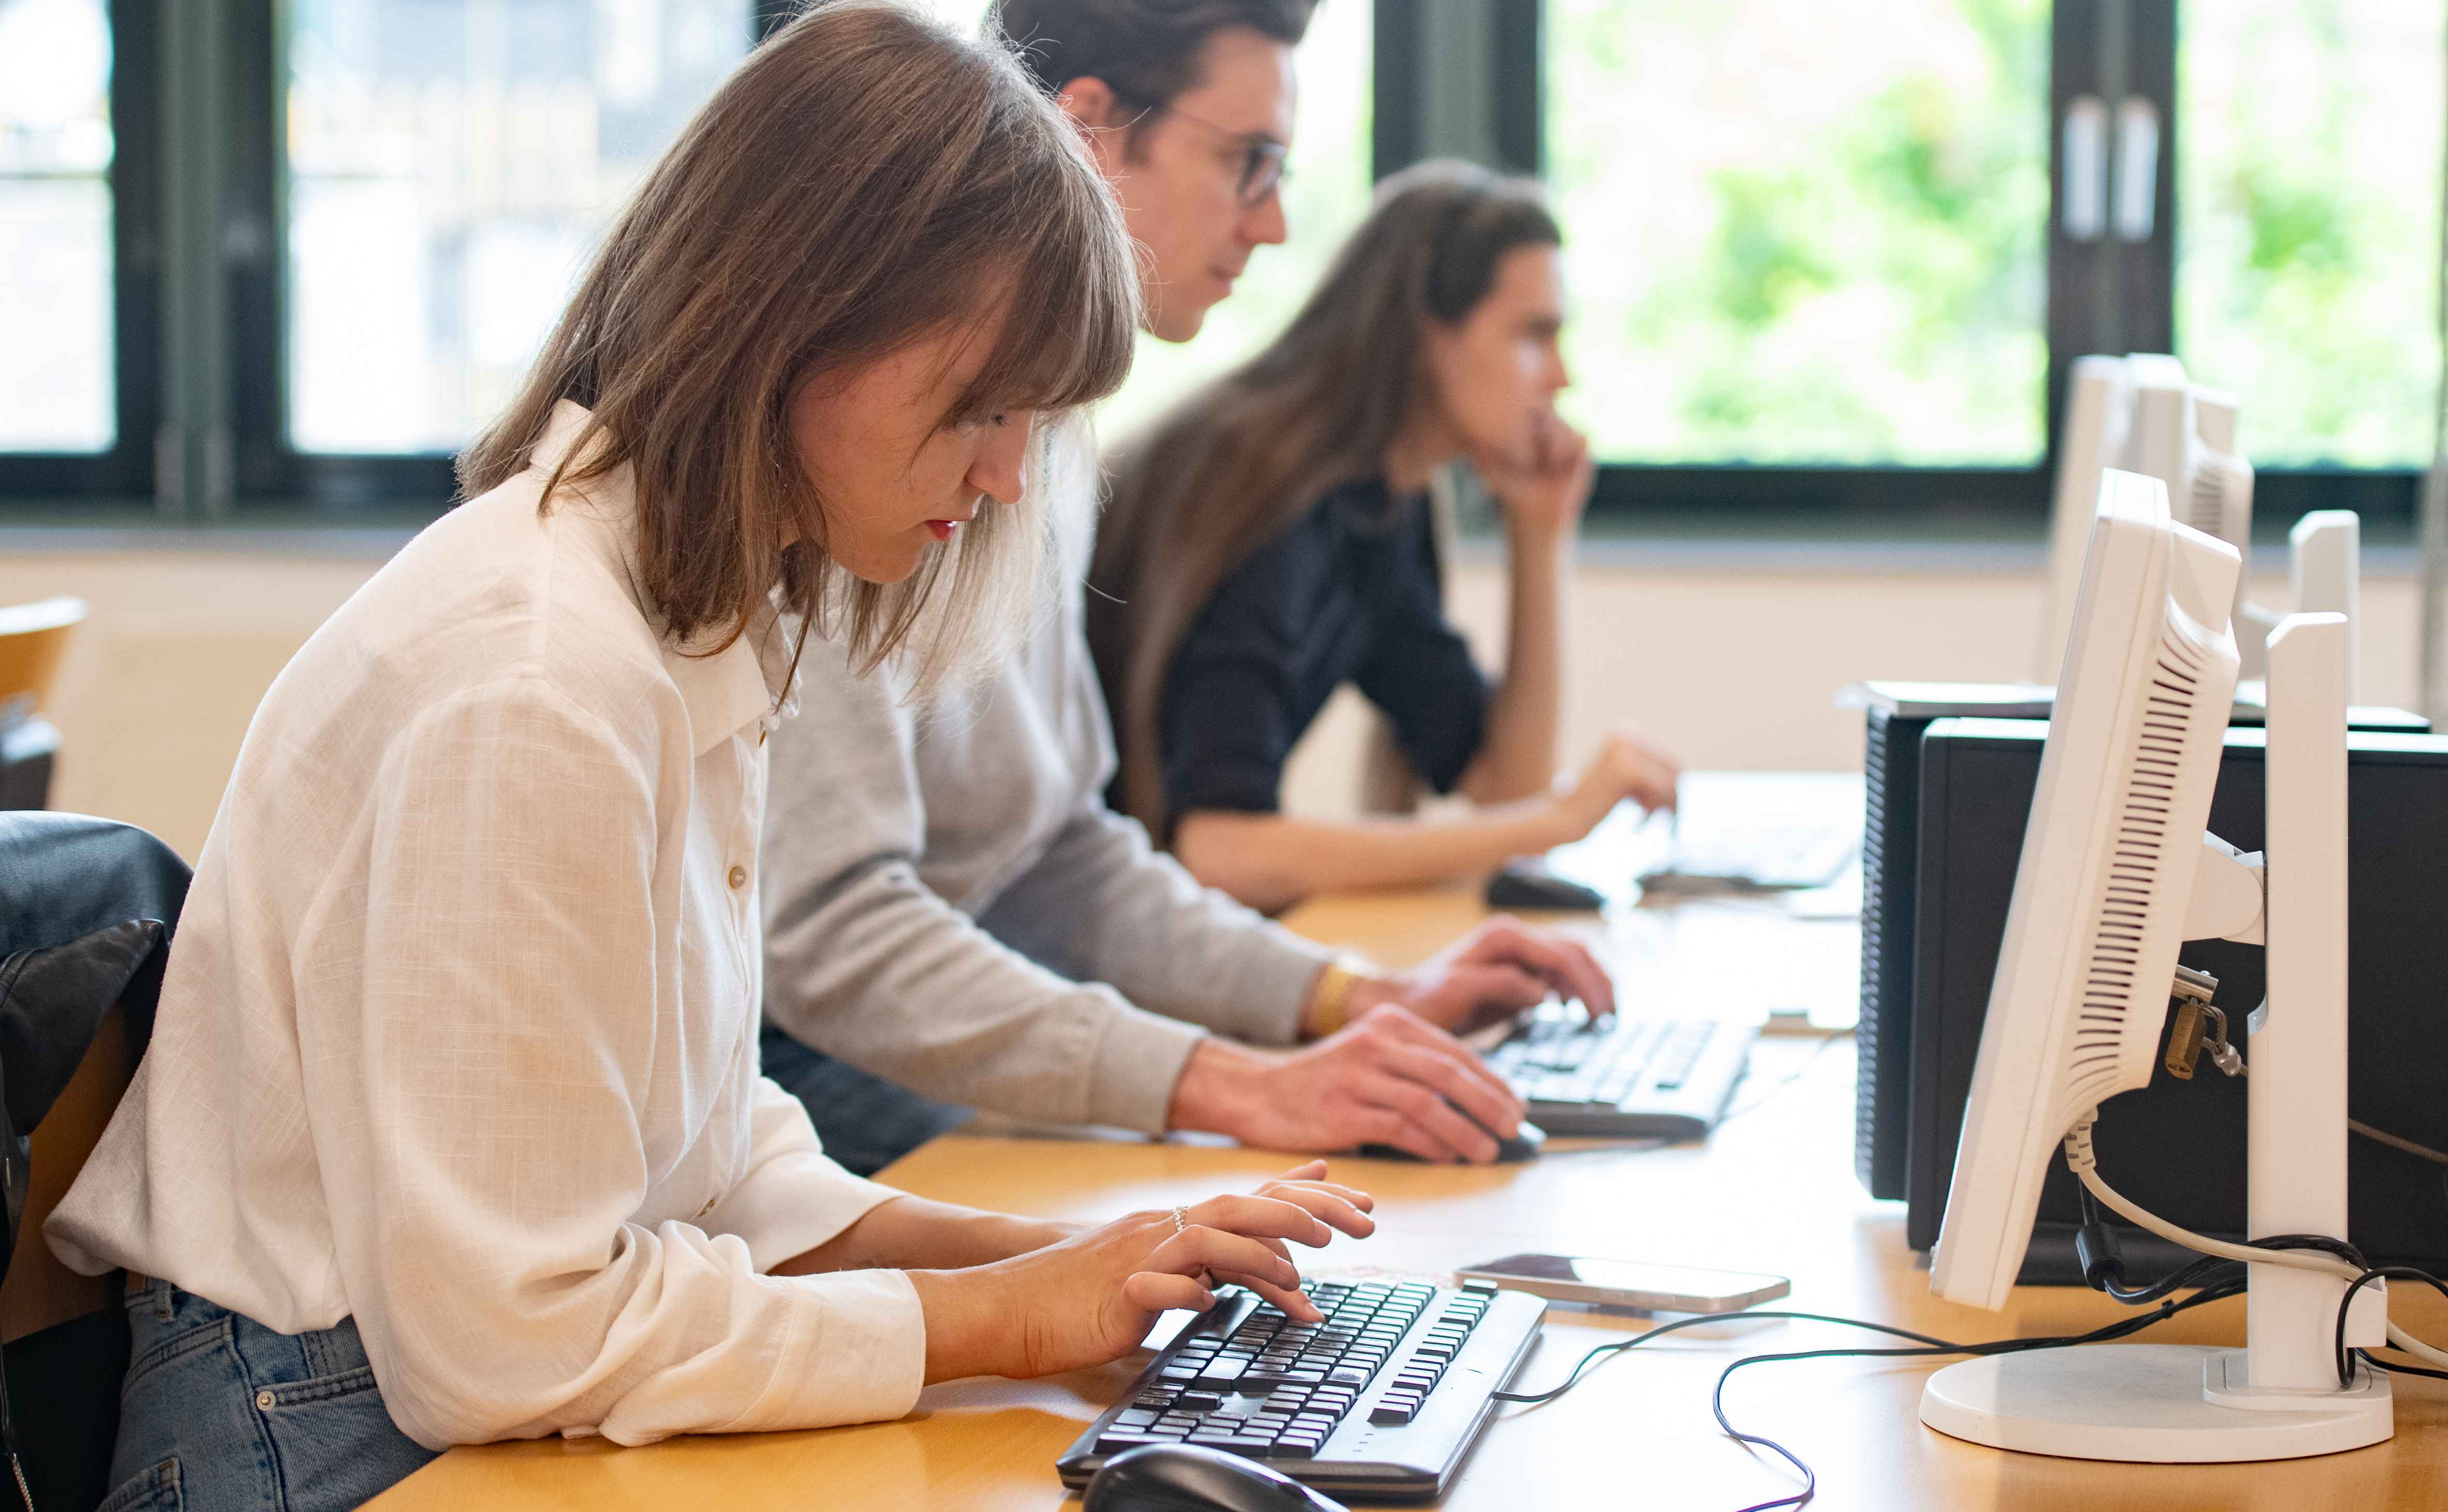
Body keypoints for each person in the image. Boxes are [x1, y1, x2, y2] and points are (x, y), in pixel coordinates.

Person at [47, 10, 1369, 1508]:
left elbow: (709, 1153)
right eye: (979, 406)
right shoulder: (536, 683)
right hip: (322, 1427)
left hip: (422, 1378)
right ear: (796, 326)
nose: (1007, 476)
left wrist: (1075, 1269)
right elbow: (503, 1337)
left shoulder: (681, 614)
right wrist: (1002, 1314)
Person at [756, 0, 1603, 1180]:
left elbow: (1059, 851)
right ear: (1092, 131)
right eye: (1247, 161)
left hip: (948, 1022)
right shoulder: (879, 435)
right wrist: (1235, 1081)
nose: (1272, 222)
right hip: (799, 1077)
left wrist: (1346, 999)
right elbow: (834, 938)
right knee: (1268, 1220)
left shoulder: (1042, 439)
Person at [1088, 161, 1679, 916]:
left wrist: (1540, 532)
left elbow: (1504, 780)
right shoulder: (1272, 491)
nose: (1560, 376)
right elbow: (1220, 851)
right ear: (1425, 334)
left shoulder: (1380, 505)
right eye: (1534, 335)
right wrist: (1554, 821)